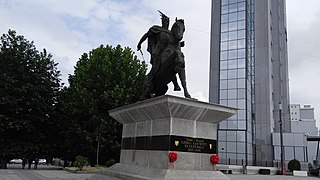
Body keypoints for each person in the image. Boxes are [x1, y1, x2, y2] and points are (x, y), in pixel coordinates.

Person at [137, 10, 181, 98]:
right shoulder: (157, 29)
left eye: (168, 21)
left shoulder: (170, 33)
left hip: (167, 51)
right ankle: (149, 81)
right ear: (162, 21)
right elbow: (146, 35)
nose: (166, 23)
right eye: (165, 21)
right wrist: (140, 43)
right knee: (156, 66)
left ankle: (176, 84)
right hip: (158, 51)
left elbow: (173, 43)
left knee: (172, 66)